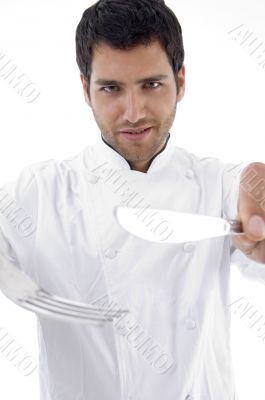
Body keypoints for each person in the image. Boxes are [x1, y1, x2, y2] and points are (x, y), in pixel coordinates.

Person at [0, 0, 265, 399]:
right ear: (85, 90)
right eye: (111, 89)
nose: (134, 113)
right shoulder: (39, 194)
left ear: (182, 81)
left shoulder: (220, 186)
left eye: (151, 85)